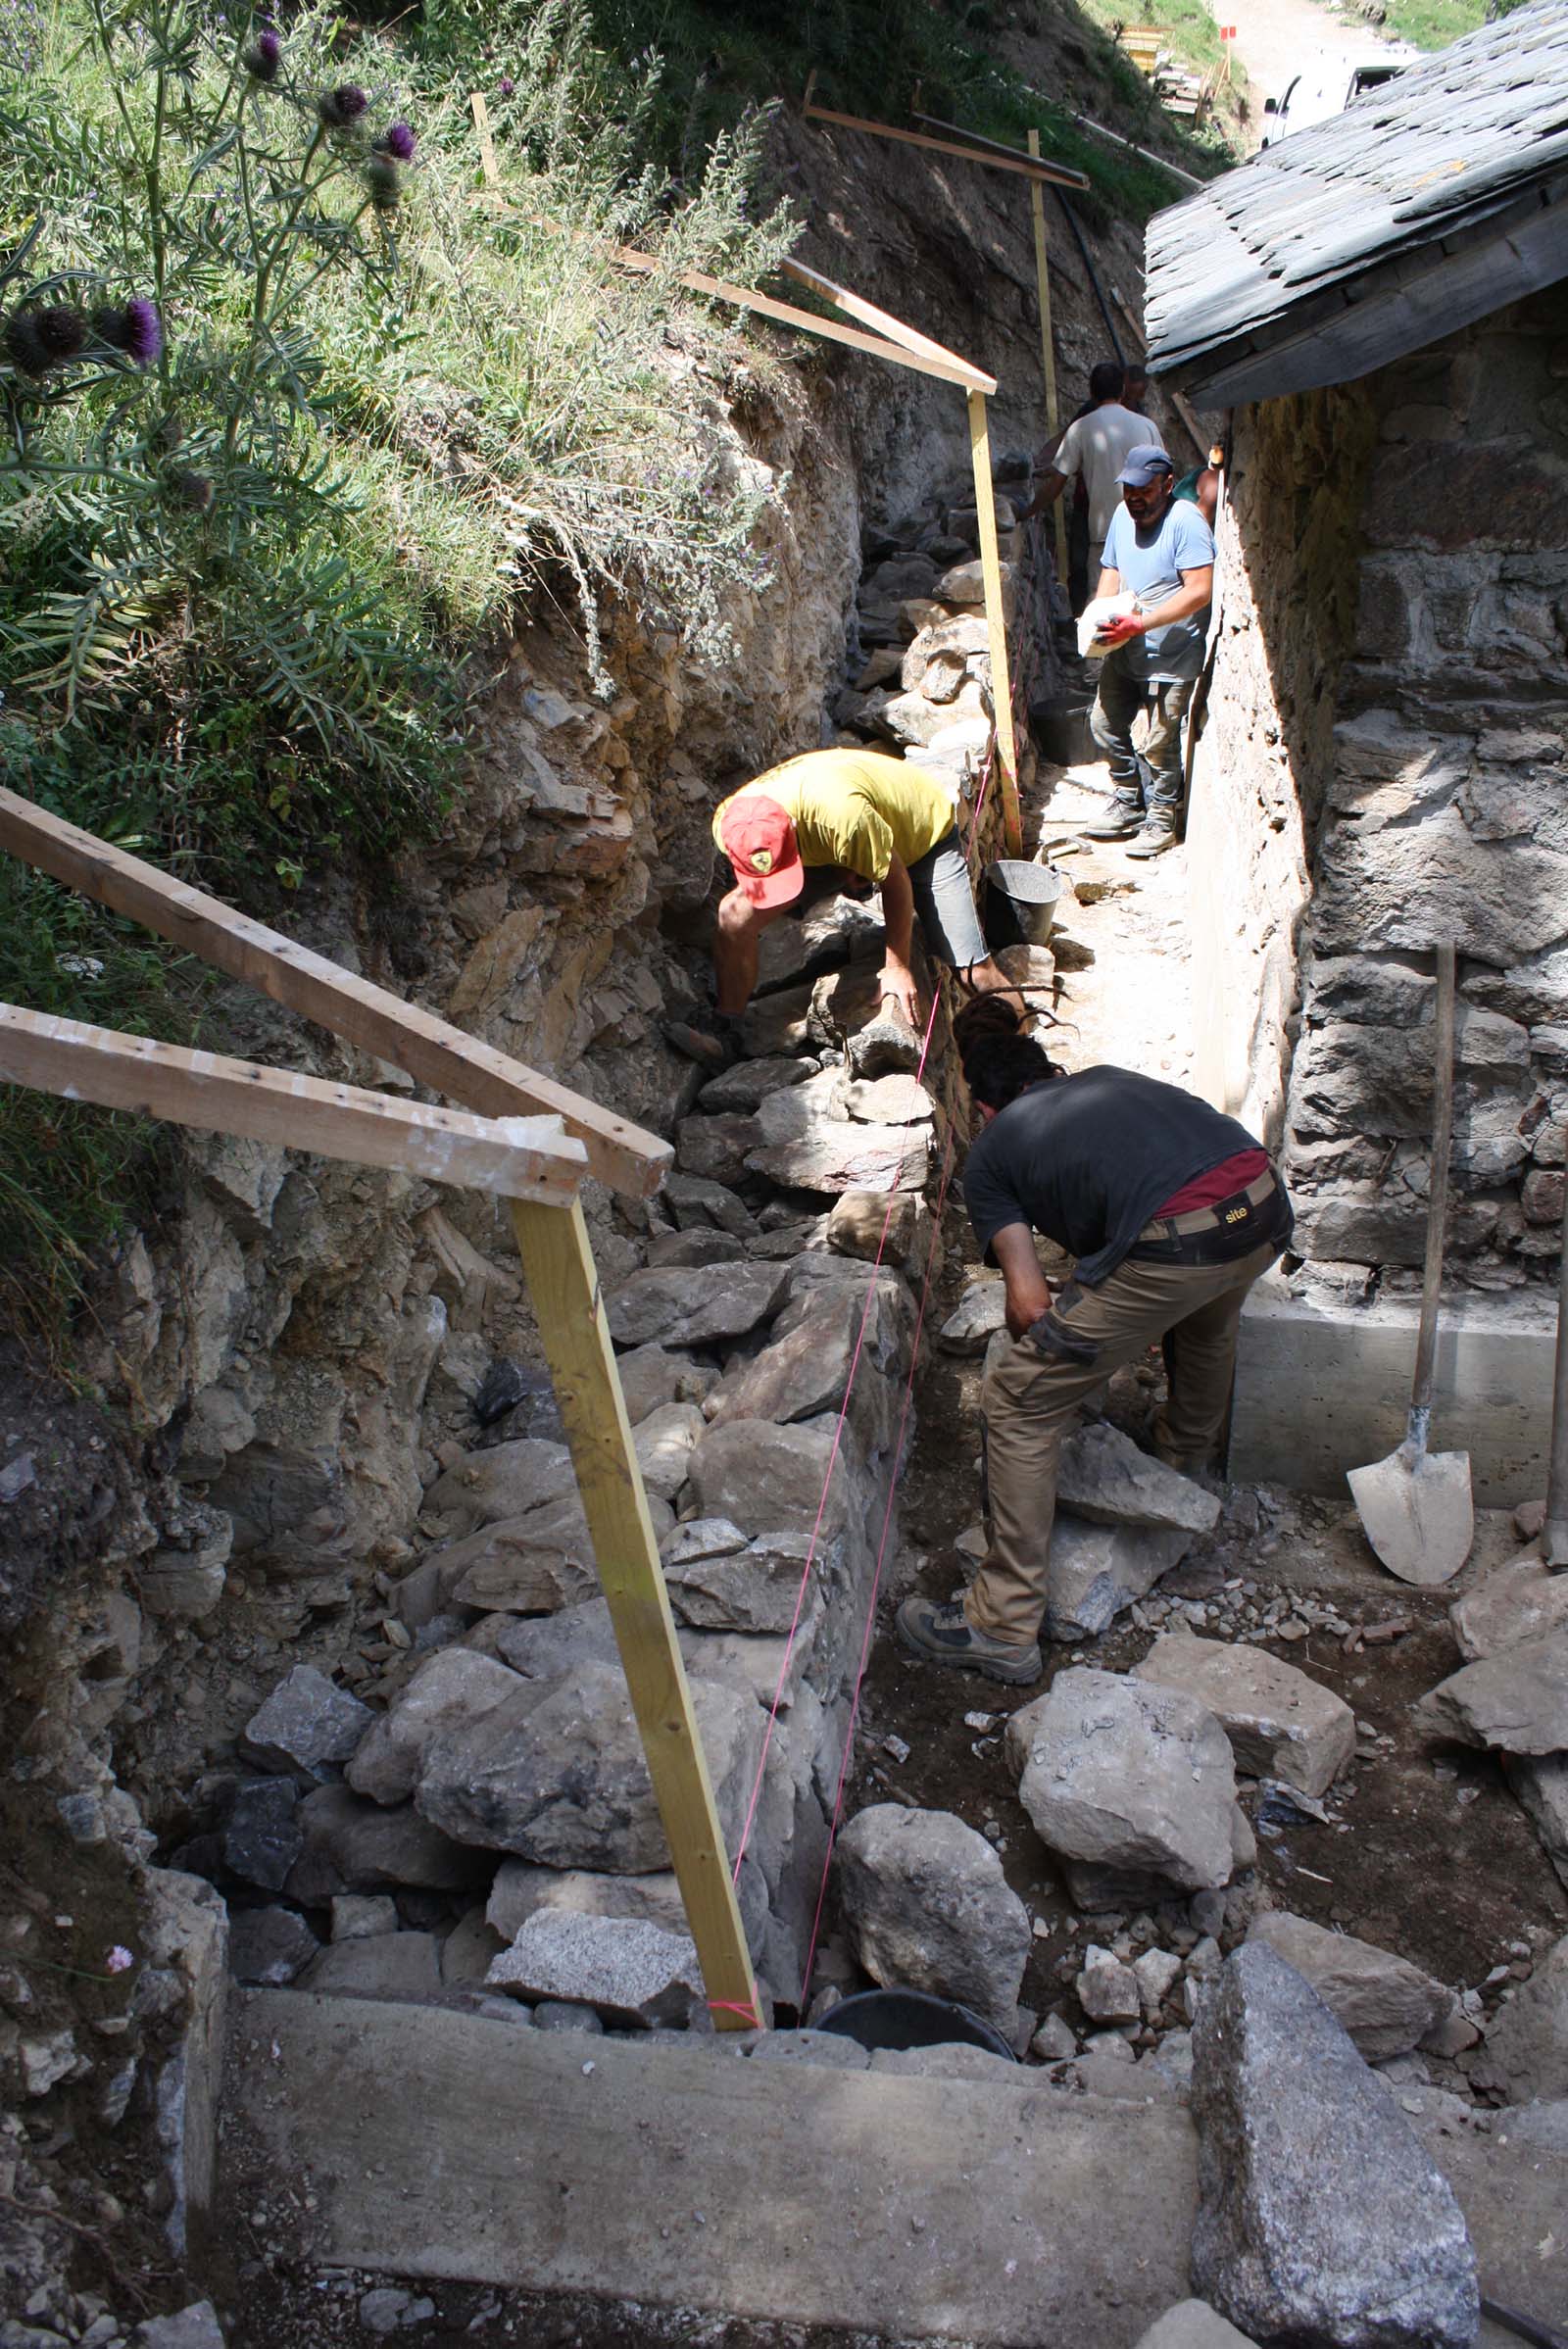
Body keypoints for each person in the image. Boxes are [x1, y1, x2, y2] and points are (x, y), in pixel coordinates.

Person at [897, 1000, 1293, 1687]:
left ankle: (1001, 1624)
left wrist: (1067, 1348)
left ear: (984, 1109)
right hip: (1260, 1206)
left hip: (1182, 1240)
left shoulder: (991, 1154)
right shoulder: (1105, 1081)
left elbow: (1027, 1302)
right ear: (1051, 1071)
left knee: (1018, 1397)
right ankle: (1179, 1468)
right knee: (1205, 1319)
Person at [664, 747, 1018, 1070]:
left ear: (794, 830)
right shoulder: (730, 823)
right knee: (734, 915)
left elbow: (897, 881)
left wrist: (896, 966)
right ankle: (726, 1030)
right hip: (835, 838)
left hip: (921, 833)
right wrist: (847, 867)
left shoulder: (842, 820)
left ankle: (1026, 1048)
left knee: (974, 972)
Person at [1082, 444, 1214, 861]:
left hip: (1171, 655)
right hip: (1126, 645)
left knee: (1159, 742)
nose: (1135, 498)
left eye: (1145, 489)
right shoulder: (1123, 517)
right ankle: (1128, 798)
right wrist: (1099, 617)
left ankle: (1161, 820)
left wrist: (1144, 622)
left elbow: (1200, 590)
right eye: (1129, 489)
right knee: (1103, 723)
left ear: (1168, 485)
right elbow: (1112, 569)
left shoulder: (1186, 522)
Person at [1025, 362, 1167, 573]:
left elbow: (1056, 485)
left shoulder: (1082, 428)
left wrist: (1026, 512)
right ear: (1122, 390)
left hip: (1104, 537)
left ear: (1091, 392)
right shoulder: (1147, 426)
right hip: (1147, 533)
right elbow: (1165, 479)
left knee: (1102, 601)